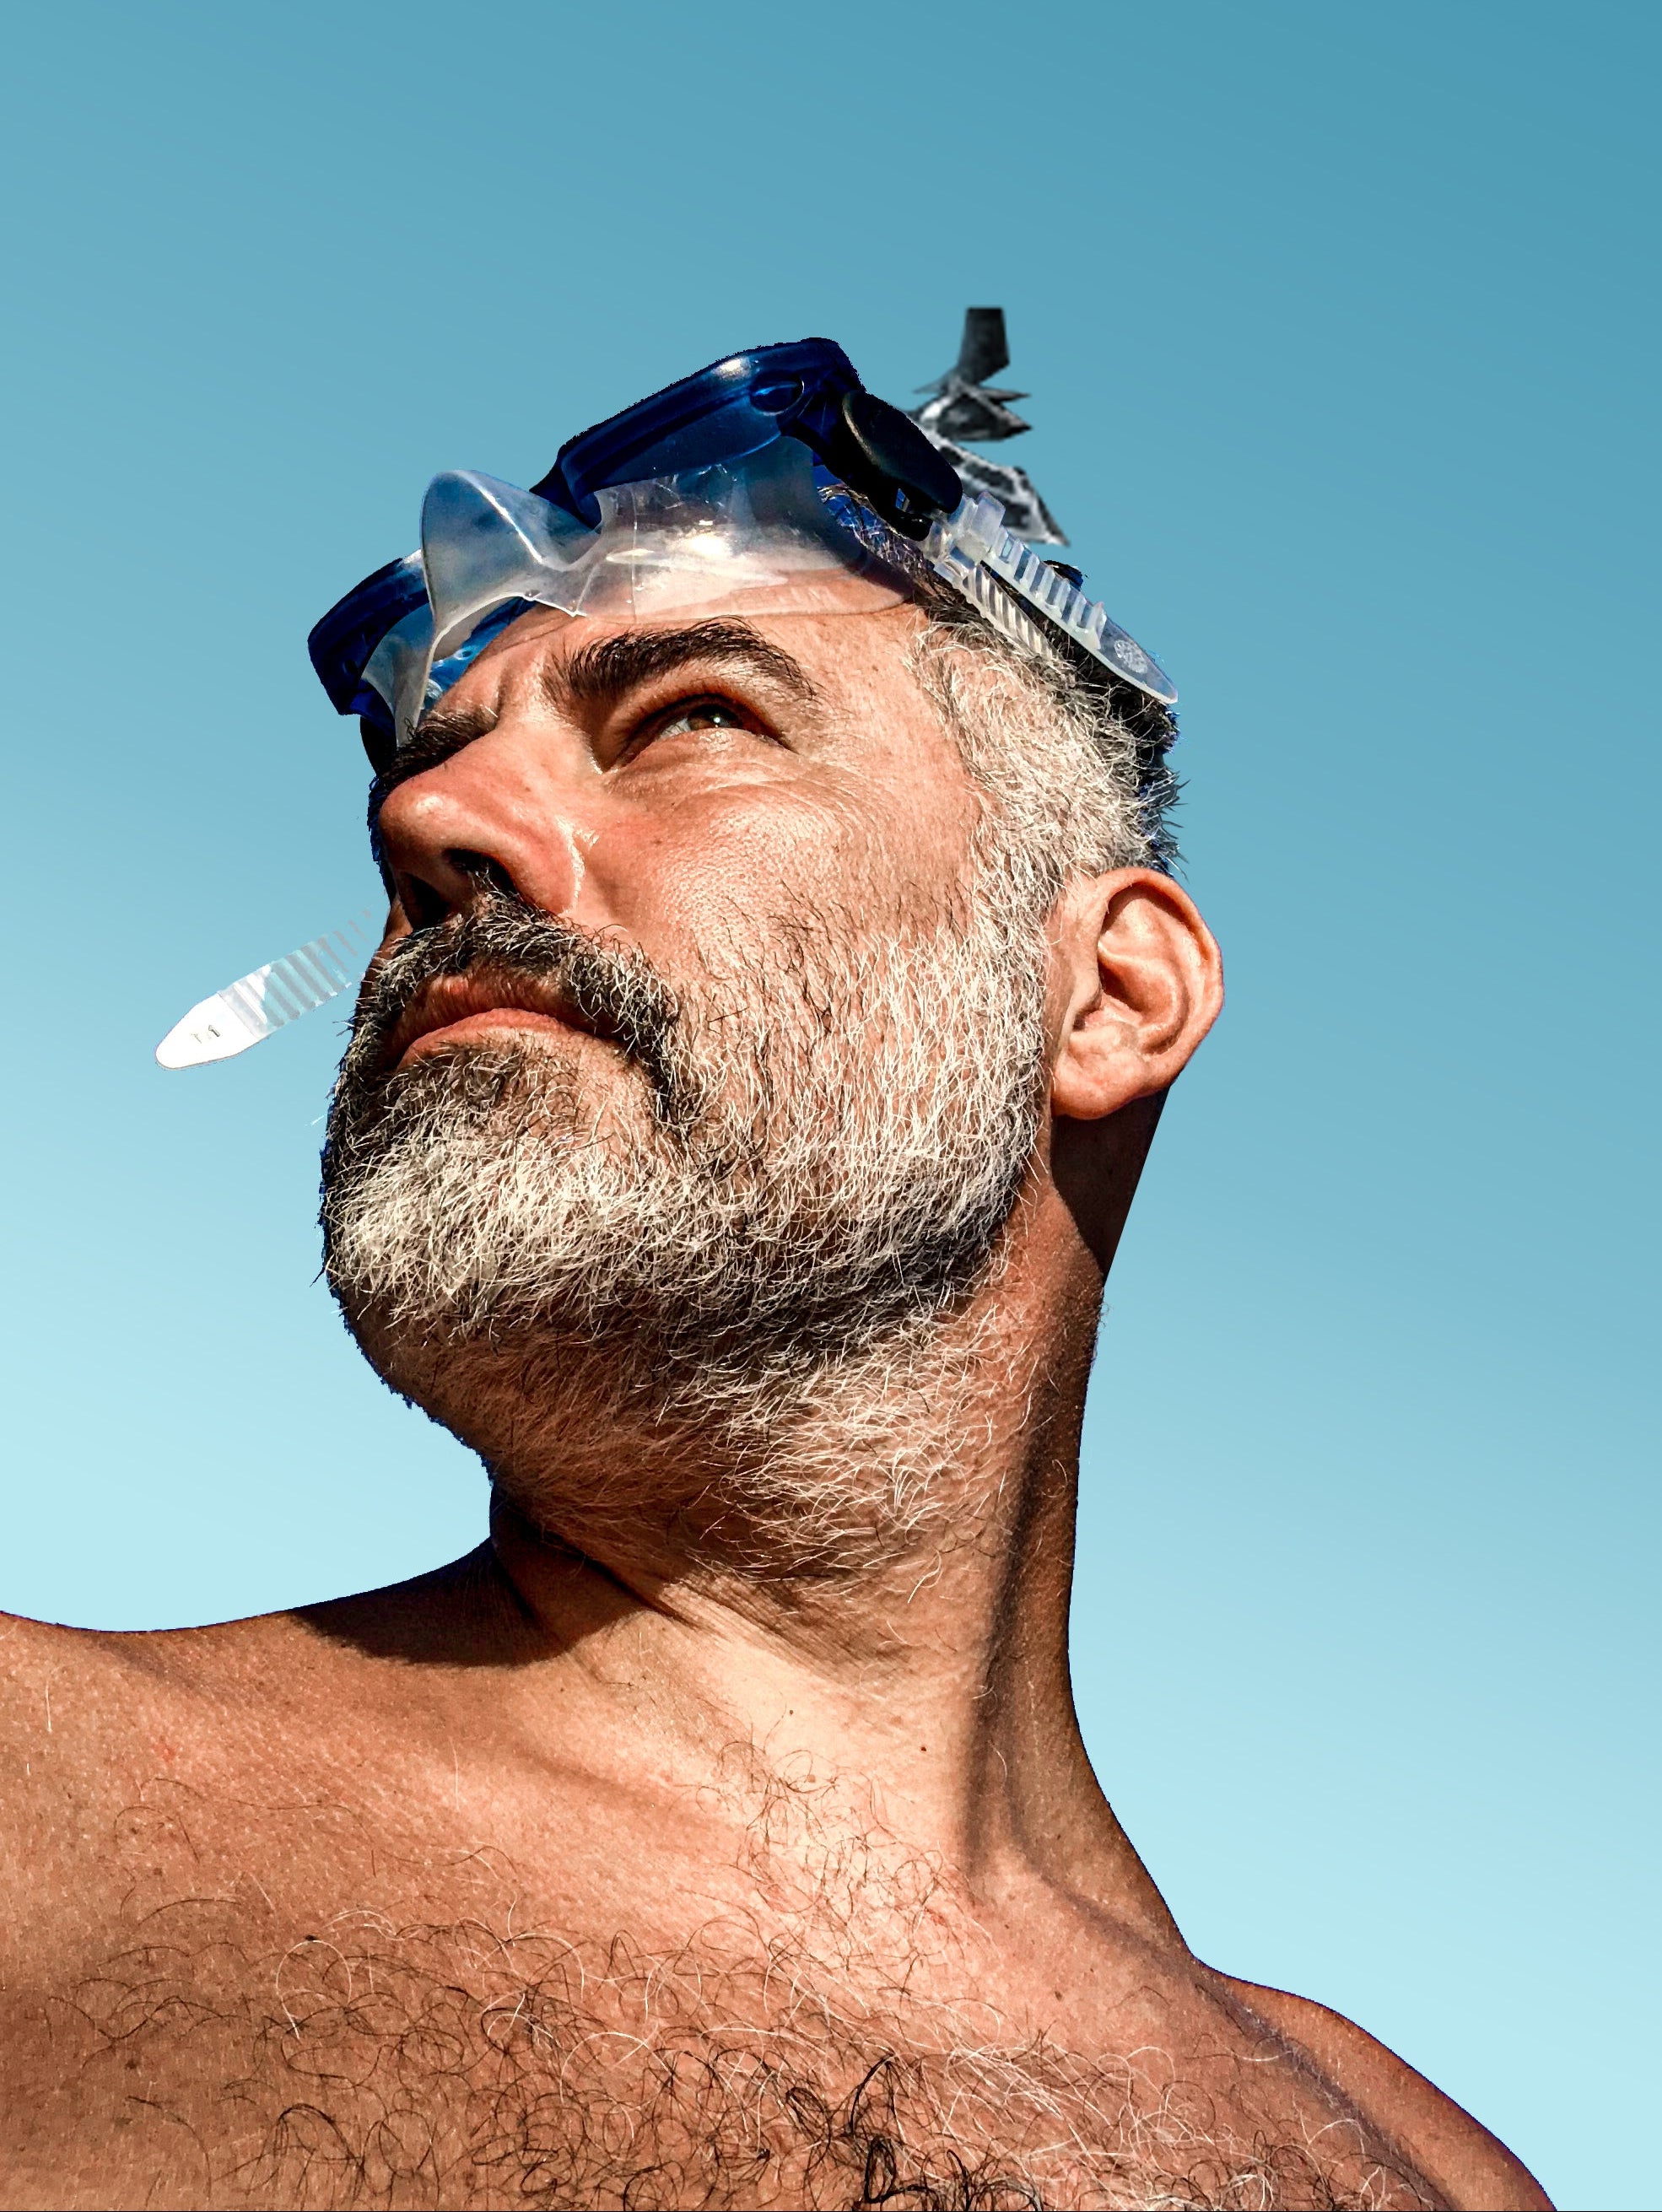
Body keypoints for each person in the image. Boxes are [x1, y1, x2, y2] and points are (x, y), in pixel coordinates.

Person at [0, 339, 1550, 2211]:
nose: (431, 823)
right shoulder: (44, 1821)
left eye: (689, 718)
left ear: (1114, 992)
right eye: (429, 764)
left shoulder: (1417, 2173)